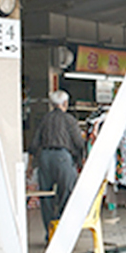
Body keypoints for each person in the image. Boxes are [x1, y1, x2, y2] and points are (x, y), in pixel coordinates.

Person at [30, 90, 87, 238]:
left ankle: (50, 231)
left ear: (51, 104)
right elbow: (79, 142)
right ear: (65, 104)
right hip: (62, 157)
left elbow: (35, 143)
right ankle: (62, 231)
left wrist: (31, 164)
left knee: (46, 195)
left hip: (45, 158)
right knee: (65, 193)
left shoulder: (44, 119)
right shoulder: (69, 120)